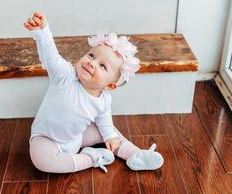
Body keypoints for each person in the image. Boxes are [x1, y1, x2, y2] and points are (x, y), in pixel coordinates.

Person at [24, 12, 164, 173]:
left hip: (78, 137)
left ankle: (135, 154)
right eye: (91, 55)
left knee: (109, 130)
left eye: (102, 66)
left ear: (110, 86)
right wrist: (43, 32)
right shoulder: (64, 75)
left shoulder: (104, 100)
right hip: (46, 138)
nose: (92, 63)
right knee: (42, 160)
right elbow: (51, 56)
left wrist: (109, 136)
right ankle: (92, 158)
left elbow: (104, 121)